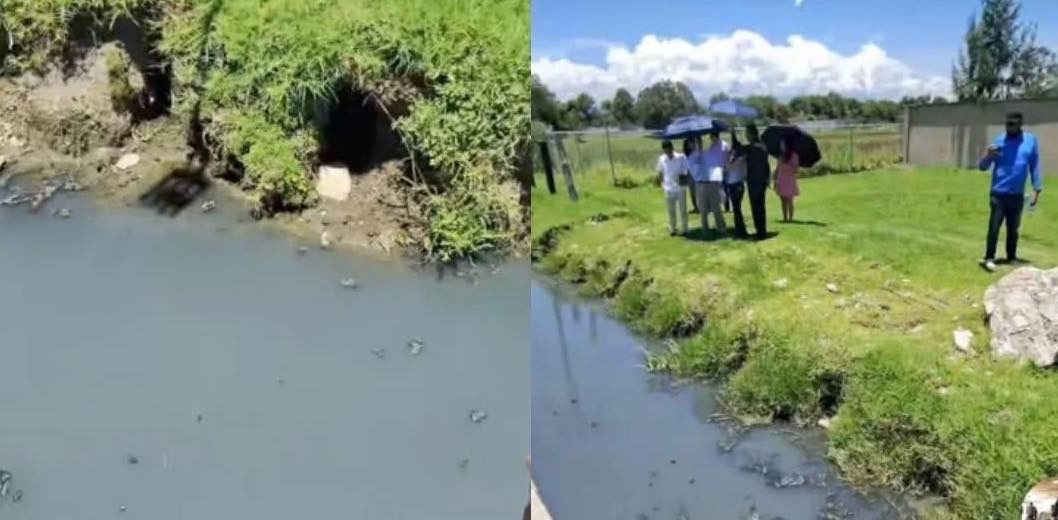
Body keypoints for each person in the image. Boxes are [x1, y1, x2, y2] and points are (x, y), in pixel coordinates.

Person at [977, 111, 1042, 272]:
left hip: (1017, 194)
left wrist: (1036, 189)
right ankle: (989, 257)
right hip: (998, 193)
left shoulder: (1030, 141)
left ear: (1020, 124)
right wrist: (988, 155)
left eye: (1012, 124)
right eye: (1007, 124)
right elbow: (983, 167)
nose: (1009, 127)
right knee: (994, 226)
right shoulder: (999, 140)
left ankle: (1011, 257)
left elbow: (1034, 165)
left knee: (1013, 228)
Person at [732, 123, 771, 240]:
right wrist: (768, 177)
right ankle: (762, 230)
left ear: (751, 134)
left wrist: (732, 134)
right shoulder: (763, 147)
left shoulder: (751, 148)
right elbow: (766, 164)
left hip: (754, 181)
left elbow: (737, 148)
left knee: (756, 207)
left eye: (747, 133)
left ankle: (760, 233)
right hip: (762, 180)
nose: (746, 136)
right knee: (761, 206)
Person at [694, 131, 729, 235]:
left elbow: (720, 163)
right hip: (702, 182)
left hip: (713, 181)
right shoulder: (701, 152)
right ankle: (705, 229)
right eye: (698, 142)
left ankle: (721, 227)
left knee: (715, 207)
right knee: (703, 208)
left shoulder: (718, 148)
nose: (710, 139)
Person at [656, 140, 690, 236]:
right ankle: (673, 229)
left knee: (683, 209)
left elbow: (686, 171)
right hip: (668, 188)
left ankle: (685, 229)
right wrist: (662, 184)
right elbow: (660, 172)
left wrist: (682, 177)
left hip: (680, 188)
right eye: (665, 151)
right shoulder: (662, 159)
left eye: (669, 150)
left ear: (672, 148)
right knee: (671, 210)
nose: (668, 153)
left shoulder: (681, 157)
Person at [726, 128, 749, 237]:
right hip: (732, 185)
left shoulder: (741, 159)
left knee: (736, 208)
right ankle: (739, 228)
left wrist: (732, 160)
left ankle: (741, 229)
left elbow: (730, 167)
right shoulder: (734, 159)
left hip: (737, 185)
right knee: (736, 208)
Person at [774, 135, 800, 222]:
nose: (781, 146)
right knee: (783, 201)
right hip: (781, 180)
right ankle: (784, 218)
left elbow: (796, 170)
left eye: (782, 144)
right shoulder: (780, 156)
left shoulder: (794, 155)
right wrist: (775, 178)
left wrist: (786, 164)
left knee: (789, 200)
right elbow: (777, 168)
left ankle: (790, 218)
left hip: (789, 180)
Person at [682, 138, 699, 213]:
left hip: (698, 175)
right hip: (690, 175)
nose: (692, 145)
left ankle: (701, 206)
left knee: (698, 192)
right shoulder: (686, 156)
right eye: (690, 144)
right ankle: (695, 207)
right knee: (692, 193)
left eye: (692, 143)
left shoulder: (697, 153)